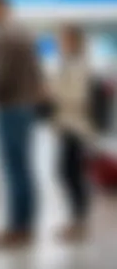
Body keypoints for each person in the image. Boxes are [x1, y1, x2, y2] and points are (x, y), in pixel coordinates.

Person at [0, 0, 43, 249]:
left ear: (1, 6)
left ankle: (16, 229)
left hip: (10, 109)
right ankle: (26, 227)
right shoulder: (23, 33)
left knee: (14, 171)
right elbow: (36, 73)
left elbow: (0, 79)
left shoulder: (6, 35)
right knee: (24, 170)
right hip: (24, 108)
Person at [51, 25, 93, 242]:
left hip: (76, 127)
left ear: (76, 41)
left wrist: (53, 94)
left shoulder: (80, 65)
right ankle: (76, 220)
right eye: (61, 40)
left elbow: (79, 97)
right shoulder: (66, 63)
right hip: (66, 126)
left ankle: (79, 222)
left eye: (66, 40)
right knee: (67, 173)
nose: (62, 44)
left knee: (71, 174)